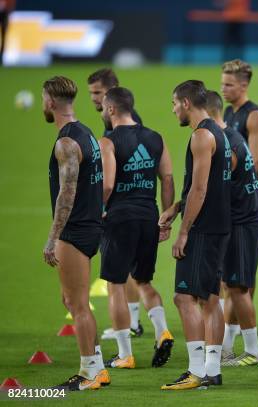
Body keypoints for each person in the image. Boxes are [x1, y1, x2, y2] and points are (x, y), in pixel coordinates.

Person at [159, 80, 232, 390]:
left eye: (175, 103)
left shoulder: (201, 136)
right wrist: (175, 208)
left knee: (184, 297)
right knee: (210, 299)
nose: (173, 109)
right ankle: (212, 370)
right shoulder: (220, 135)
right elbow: (205, 185)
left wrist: (183, 232)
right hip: (219, 224)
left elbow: (200, 188)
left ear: (186, 103)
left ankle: (195, 370)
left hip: (203, 229)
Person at [98, 87, 175, 369]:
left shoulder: (108, 141)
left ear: (111, 109)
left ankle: (124, 354)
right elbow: (167, 178)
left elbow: (107, 184)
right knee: (143, 281)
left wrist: (98, 211)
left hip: (120, 219)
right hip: (148, 216)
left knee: (116, 285)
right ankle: (162, 330)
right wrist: (166, 217)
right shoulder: (155, 138)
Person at [42, 76, 107, 390]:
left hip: (76, 229)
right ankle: (97, 366)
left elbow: (66, 194)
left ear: (51, 103)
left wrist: (53, 237)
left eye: (44, 99)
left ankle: (89, 373)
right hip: (90, 225)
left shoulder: (66, 142)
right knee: (72, 301)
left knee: (77, 303)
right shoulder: (87, 133)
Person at [204, 90, 258, 367]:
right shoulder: (230, 133)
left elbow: (218, 189)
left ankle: (253, 351)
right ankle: (226, 347)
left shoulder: (225, 141)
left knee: (238, 287)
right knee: (231, 284)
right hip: (241, 217)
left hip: (243, 219)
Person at [87, 68, 147, 339]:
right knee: (130, 269)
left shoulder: (120, 124)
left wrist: (101, 205)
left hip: (122, 207)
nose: (93, 98)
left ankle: (131, 323)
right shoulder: (122, 122)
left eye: (97, 92)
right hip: (136, 206)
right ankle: (132, 320)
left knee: (121, 272)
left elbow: (116, 173)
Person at [221, 59, 258, 174]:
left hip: (243, 190)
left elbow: (255, 162)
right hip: (229, 186)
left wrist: (238, 190)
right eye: (222, 84)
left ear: (244, 86)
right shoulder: (228, 111)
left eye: (228, 85)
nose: (223, 89)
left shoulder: (254, 115)